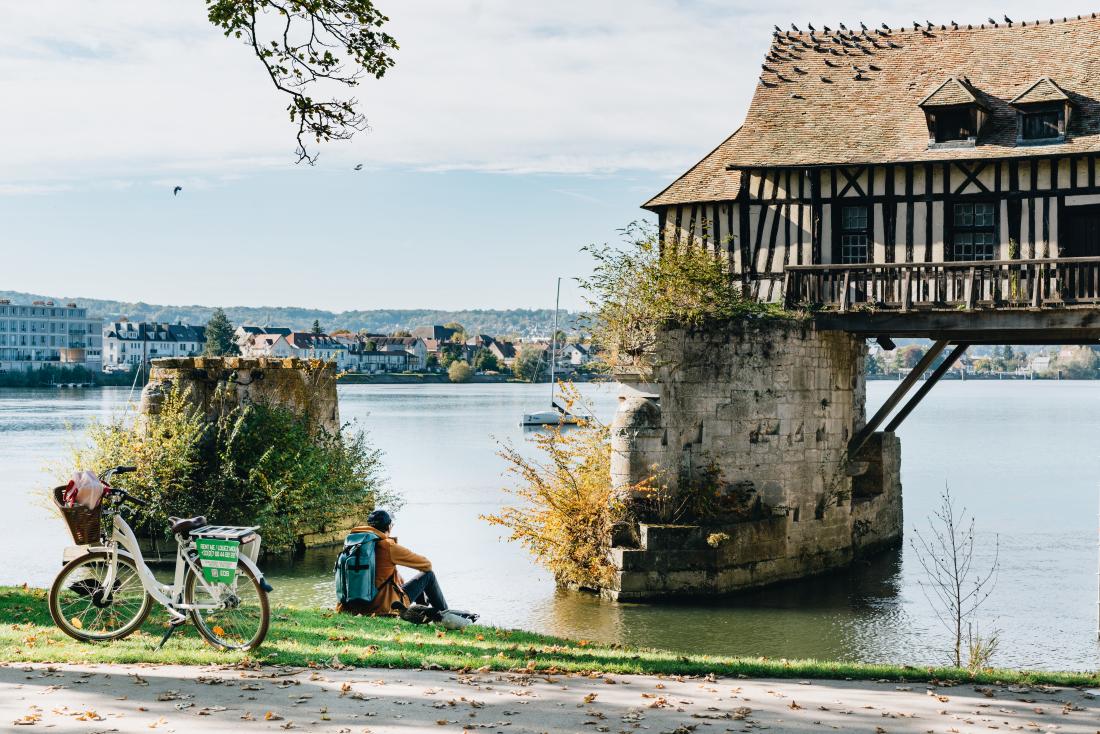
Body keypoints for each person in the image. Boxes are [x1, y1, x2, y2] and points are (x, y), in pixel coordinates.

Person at [338, 509, 448, 616]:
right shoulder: (388, 546)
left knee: (402, 582)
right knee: (428, 576)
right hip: (383, 606)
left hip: (353, 607)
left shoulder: (353, 544)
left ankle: (421, 614)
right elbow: (427, 565)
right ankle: (445, 615)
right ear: (389, 526)